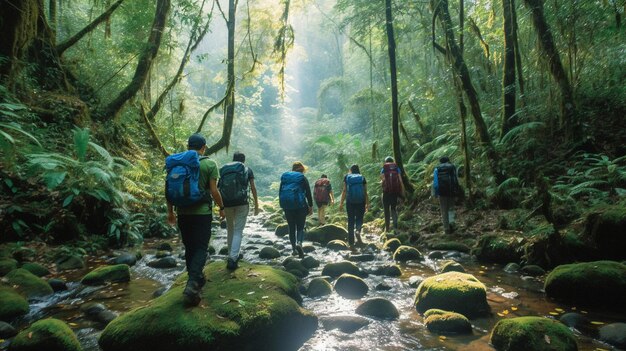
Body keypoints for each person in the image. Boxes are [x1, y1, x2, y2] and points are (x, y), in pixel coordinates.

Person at [167, 133, 225, 307]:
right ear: (204, 147)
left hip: (182, 213)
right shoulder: (209, 164)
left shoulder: (177, 164)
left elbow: (168, 189)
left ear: (188, 146)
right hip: (202, 213)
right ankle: (192, 284)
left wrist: (170, 212)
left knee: (190, 247)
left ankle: (197, 278)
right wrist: (222, 207)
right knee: (201, 247)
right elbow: (214, 191)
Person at [218, 151, 259, 270]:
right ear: (243, 160)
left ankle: (231, 254)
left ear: (233, 159)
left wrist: (220, 206)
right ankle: (233, 257)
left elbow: (218, 187)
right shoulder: (247, 169)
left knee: (230, 229)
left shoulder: (224, 169)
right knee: (238, 231)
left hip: (227, 203)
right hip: (242, 203)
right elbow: (252, 187)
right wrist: (256, 204)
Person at [279, 161, 313, 258]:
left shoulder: (286, 178)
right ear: (302, 169)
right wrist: (310, 206)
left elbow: (280, 191)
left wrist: (283, 205)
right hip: (300, 206)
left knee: (291, 227)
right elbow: (308, 193)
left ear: (293, 169)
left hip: (288, 206)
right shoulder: (302, 178)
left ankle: (294, 249)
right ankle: (299, 243)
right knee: (300, 226)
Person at [339, 164, 369, 250]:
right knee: (359, 218)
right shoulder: (362, 178)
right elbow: (365, 191)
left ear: (351, 170)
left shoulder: (347, 177)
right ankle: (358, 231)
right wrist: (367, 203)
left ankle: (351, 243)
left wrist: (341, 203)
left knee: (350, 220)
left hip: (350, 202)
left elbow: (344, 190)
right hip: (361, 201)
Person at [433, 156, 460, 234]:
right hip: (451, 192)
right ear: (448, 161)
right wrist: (457, 192)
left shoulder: (437, 169)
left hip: (442, 193)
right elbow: (455, 180)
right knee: (451, 208)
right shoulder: (452, 167)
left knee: (444, 210)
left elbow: (435, 183)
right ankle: (452, 224)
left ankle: (446, 229)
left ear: (440, 162)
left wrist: (436, 193)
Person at [380, 156, 405, 232]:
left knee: (386, 210)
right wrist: (403, 192)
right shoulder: (396, 168)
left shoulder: (384, 169)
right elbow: (400, 181)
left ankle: (387, 229)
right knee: (393, 209)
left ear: (386, 162)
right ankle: (395, 227)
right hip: (394, 192)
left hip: (386, 192)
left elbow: (382, 180)